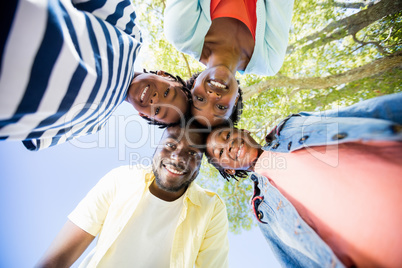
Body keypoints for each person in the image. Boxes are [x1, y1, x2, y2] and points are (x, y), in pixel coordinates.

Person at [205, 93, 402, 267]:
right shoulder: (264, 212)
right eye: (220, 151)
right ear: (229, 170)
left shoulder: (289, 128)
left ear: (244, 132)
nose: (228, 146)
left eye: (227, 135)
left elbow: (362, 113)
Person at [0, 0, 191, 151]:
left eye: (158, 111)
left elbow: (35, 139)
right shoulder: (130, 34)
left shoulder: (93, 125)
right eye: (167, 93)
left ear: (143, 115)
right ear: (164, 74)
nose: (155, 100)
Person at [36, 123, 229, 267]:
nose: (178, 158)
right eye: (170, 145)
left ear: (200, 165)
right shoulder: (121, 179)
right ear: (156, 148)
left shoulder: (211, 208)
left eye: (193, 153)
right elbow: (55, 261)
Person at [164, 0, 294, 126]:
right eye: (221, 107)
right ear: (235, 100)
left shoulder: (182, 33)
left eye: (200, 99)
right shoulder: (268, 61)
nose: (213, 95)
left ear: (193, 87)